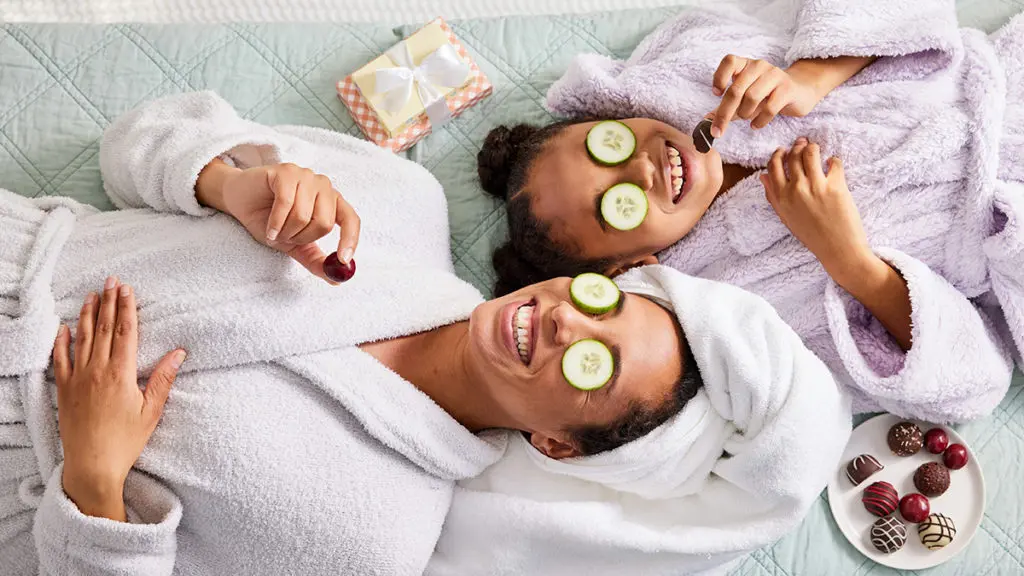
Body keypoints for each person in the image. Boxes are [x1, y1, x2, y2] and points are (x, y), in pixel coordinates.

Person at [0, 92, 849, 576]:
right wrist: (228, 181)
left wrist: (96, 482)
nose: (561, 319)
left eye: (592, 364)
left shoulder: (377, 540)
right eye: (598, 301)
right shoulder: (401, 202)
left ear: (557, 445)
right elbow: (138, 141)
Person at [479, 0, 1024, 423]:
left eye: (608, 146)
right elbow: (969, 380)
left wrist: (811, 76)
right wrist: (849, 261)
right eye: (614, 207)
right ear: (626, 266)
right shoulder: (736, 311)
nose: (641, 171)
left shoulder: (699, 70)